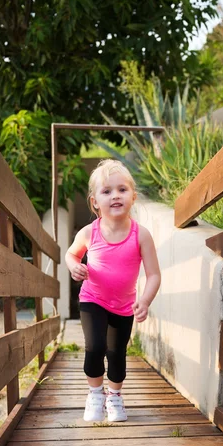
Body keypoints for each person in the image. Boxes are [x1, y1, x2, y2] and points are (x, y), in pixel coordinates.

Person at [65, 159, 161, 423]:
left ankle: (115, 396)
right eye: (106, 191)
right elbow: (71, 254)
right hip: (92, 299)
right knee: (95, 347)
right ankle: (95, 393)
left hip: (123, 305)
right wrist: (75, 266)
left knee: (116, 354)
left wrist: (145, 300)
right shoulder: (89, 233)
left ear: (133, 196)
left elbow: (154, 274)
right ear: (95, 201)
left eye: (122, 189)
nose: (115, 196)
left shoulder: (141, 235)